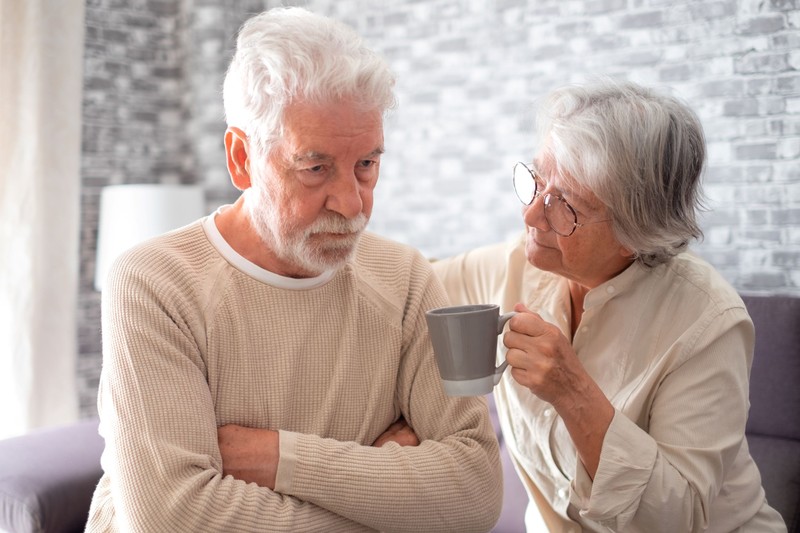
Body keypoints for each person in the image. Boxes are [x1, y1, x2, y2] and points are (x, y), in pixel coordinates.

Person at [86, 7, 502, 532]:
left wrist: (279, 458)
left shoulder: (407, 278)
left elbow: (475, 492)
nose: (352, 205)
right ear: (241, 158)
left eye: (367, 165)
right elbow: (173, 519)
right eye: (315, 168)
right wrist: (385, 498)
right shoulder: (153, 284)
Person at [432, 79, 787, 532]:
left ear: (636, 233)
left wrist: (573, 392)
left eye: (565, 205)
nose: (530, 215)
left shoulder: (709, 321)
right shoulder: (514, 265)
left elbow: (675, 517)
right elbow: (405, 285)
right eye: (537, 180)